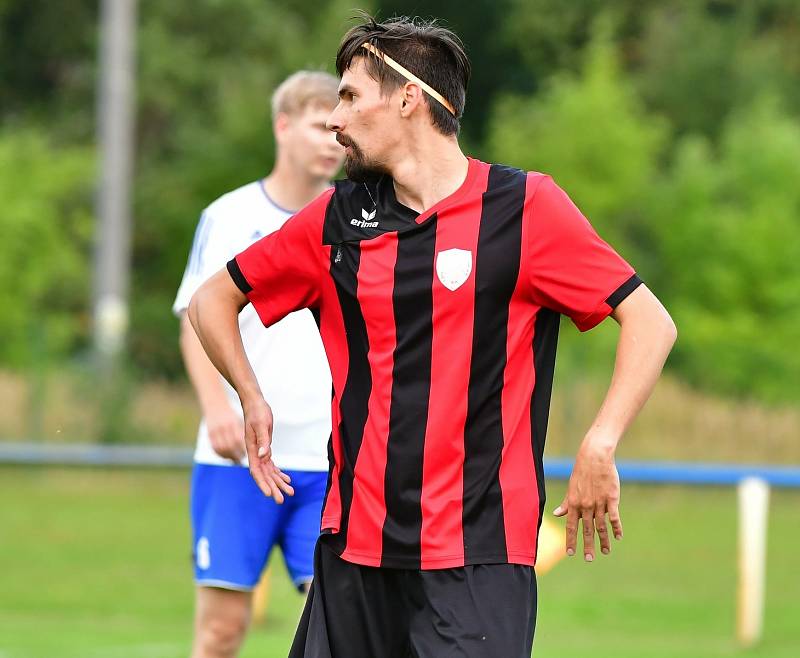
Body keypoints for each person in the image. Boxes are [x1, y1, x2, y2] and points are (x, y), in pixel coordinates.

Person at [187, 14, 677, 658]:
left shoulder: (525, 208)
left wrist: (601, 442)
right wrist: (250, 397)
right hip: (354, 548)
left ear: (409, 99)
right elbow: (212, 299)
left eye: (352, 96)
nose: (336, 118)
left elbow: (649, 320)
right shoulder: (337, 218)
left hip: (479, 554)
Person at [173, 71, 344, 658]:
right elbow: (195, 320)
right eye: (320, 125)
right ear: (283, 125)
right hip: (238, 461)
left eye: (338, 127)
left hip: (328, 458)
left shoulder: (357, 220)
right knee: (221, 633)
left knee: (341, 626)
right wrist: (217, 407)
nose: (332, 140)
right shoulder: (229, 215)